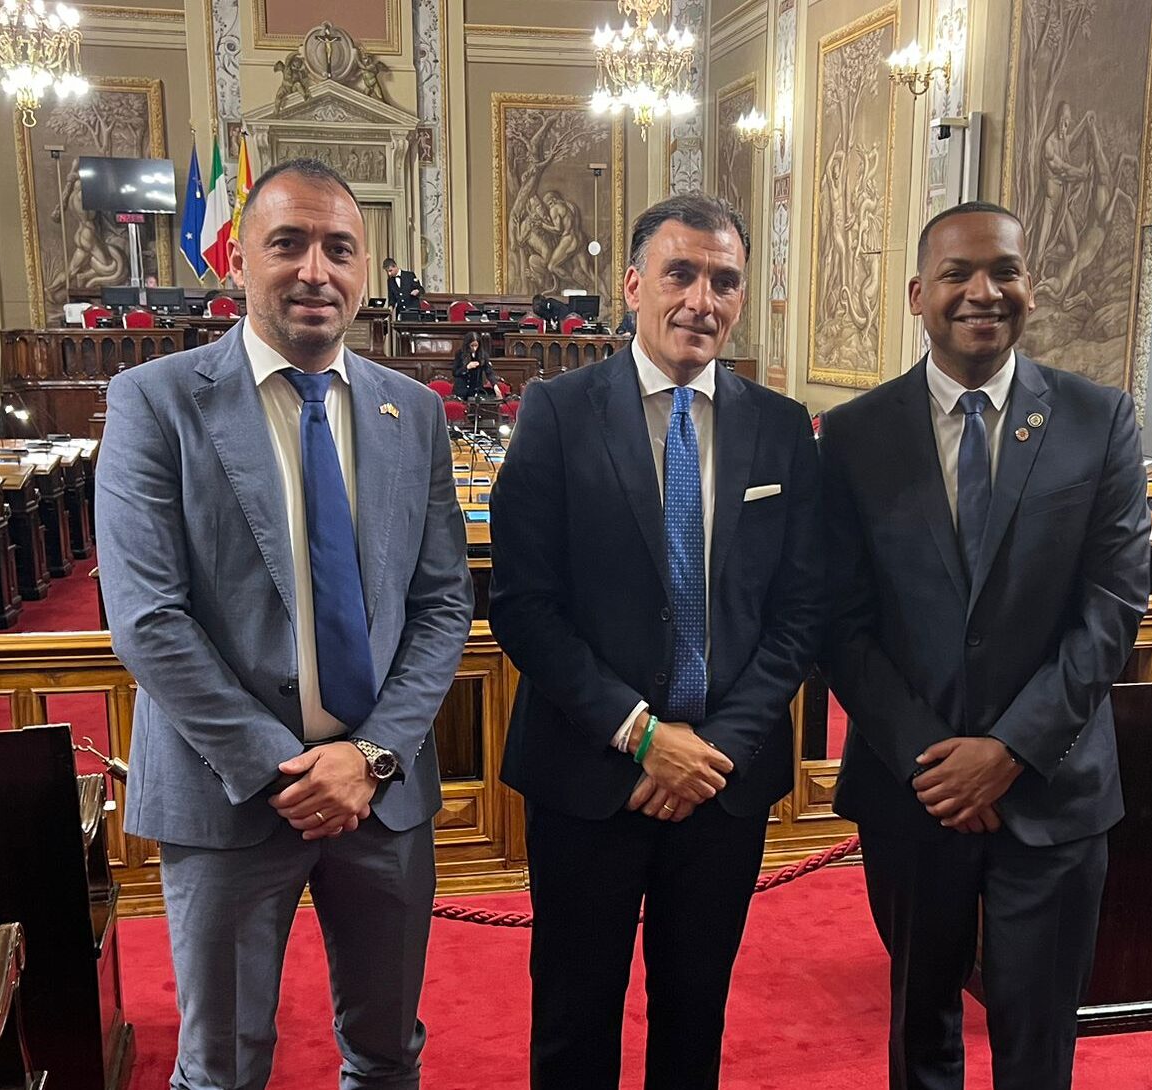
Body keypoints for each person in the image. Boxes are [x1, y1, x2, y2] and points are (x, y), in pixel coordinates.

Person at [96, 158, 474, 1090]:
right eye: (288, 244)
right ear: (238, 262)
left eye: (339, 249)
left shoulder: (413, 412)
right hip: (226, 795)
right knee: (222, 1067)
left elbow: (441, 605)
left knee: (387, 1054)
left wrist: (370, 757)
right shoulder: (155, 400)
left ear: (365, 268)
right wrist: (284, 769)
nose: (316, 270)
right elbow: (147, 618)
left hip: (380, 798)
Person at [488, 194, 823, 1089]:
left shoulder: (780, 427)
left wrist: (712, 748)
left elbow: (798, 611)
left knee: (693, 1016)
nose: (700, 301)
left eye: (724, 281)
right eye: (680, 274)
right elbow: (523, 605)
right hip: (588, 775)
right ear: (634, 286)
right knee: (572, 1022)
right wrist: (641, 735)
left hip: (721, 783)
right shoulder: (557, 412)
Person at [819, 200, 1151, 1090]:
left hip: (1051, 789)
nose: (983, 292)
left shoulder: (1097, 418)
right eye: (957, 274)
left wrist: (1007, 751)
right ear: (916, 294)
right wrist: (934, 761)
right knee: (919, 1035)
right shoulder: (853, 435)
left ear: (1029, 287)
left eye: (1003, 271)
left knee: (1036, 1047)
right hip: (912, 790)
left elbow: (1114, 603)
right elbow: (837, 620)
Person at [452, 331, 498, 399]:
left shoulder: (483, 355)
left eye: (476, 345)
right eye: (472, 346)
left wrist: (495, 385)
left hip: (476, 391)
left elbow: (489, 372)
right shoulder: (459, 354)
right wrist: (467, 367)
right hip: (461, 391)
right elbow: (455, 372)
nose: (474, 348)